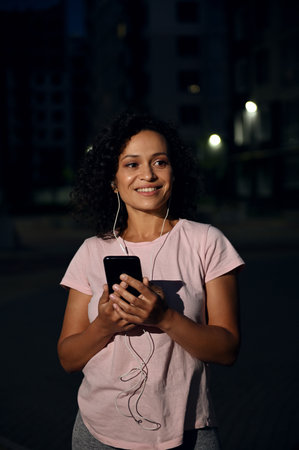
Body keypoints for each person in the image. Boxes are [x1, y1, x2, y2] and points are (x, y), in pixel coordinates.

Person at [57, 112, 245, 450]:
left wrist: (164, 318)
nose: (148, 174)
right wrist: (104, 324)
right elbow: (68, 358)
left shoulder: (207, 242)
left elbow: (227, 349)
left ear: (175, 171)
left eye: (160, 162)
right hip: (97, 433)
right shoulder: (91, 251)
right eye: (131, 164)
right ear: (112, 179)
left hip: (189, 431)